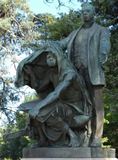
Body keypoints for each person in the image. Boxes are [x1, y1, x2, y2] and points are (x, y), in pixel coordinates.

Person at [15, 42, 91, 147]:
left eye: (52, 56)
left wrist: (38, 107)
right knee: (26, 107)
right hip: (61, 105)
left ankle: (71, 135)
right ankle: (42, 140)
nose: (49, 59)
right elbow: (40, 87)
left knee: (41, 110)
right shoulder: (52, 73)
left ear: (58, 56)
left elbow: (56, 93)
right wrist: (31, 74)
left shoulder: (70, 74)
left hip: (75, 108)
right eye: (47, 57)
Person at [58, 2, 111, 147]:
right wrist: (50, 44)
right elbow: (62, 44)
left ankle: (97, 138)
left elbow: (105, 46)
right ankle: (82, 137)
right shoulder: (75, 33)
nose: (84, 13)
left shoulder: (102, 30)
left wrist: (102, 57)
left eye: (87, 11)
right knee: (79, 106)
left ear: (93, 14)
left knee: (96, 106)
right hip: (76, 74)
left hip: (93, 73)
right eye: (83, 12)